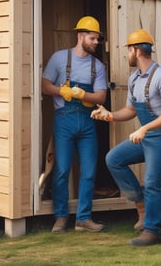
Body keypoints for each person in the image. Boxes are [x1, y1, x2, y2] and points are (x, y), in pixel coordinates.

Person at [91, 29, 161, 246]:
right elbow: (130, 111)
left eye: (129, 50)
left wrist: (144, 129)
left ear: (137, 50)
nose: (127, 54)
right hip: (147, 136)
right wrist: (109, 115)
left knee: (151, 181)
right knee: (113, 159)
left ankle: (152, 231)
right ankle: (140, 205)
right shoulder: (134, 79)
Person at [42, 16, 108, 233]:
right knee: (61, 170)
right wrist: (62, 91)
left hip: (88, 123)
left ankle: (83, 219)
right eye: (93, 38)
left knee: (88, 172)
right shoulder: (59, 59)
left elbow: (101, 96)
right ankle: (60, 218)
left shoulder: (97, 66)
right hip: (64, 120)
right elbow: (44, 85)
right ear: (80, 36)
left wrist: (82, 94)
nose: (96, 42)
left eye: (97, 39)